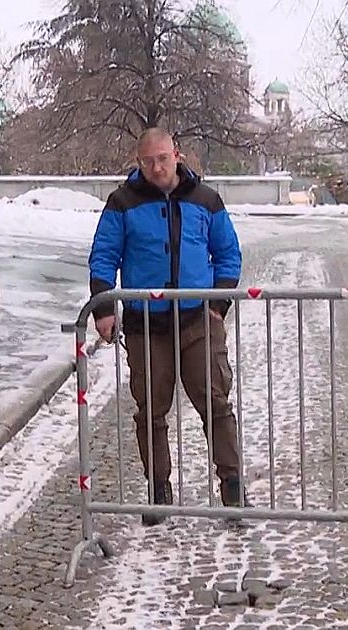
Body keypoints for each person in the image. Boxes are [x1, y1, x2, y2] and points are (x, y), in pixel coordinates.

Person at [88, 127, 249, 526]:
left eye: (163, 158)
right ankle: (158, 488)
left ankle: (232, 485)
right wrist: (103, 307)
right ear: (138, 162)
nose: (157, 167)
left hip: (198, 321)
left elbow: (228, 253)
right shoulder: (121, 203)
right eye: (148, 161)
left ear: (177, 155)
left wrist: (219, 304)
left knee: (215, 404)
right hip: (146, 328)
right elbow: (104, 255)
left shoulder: (206, 200)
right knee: (151, 410)